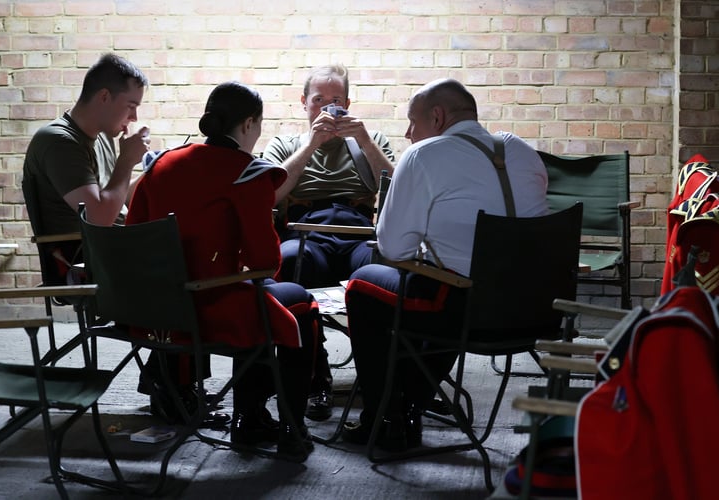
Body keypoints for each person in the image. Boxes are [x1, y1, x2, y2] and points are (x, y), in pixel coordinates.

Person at [342, 78, 549, 451]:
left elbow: (392, 248)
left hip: (467, 312)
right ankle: (410, 405)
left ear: (437, 117)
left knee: (365, 284)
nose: (407, 134)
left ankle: (384, 417)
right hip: (533, 309)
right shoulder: (522, 150)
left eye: (412, 122)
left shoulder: (425, 155)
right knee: (448, 277)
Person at [126, 81, 319, 460]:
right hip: (208, 310)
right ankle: (284, 427)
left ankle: (252, 419)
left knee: (260, 298)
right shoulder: (246, 173)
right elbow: (267, 262)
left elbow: (135, 236)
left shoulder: (161, 163)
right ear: (249, 124)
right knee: (296, 302)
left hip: (152, 310)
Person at [261, 63, 396, 421]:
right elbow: (269, 195)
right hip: (307, 232)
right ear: (304, 103)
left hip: (359, 234)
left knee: (381, 277)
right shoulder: (286, 144)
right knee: (287, 264)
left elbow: (400, 188)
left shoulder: (371, 140)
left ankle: (378, 382)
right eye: (318, 100)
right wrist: (310, 145)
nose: (326, 108)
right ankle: (314, 375)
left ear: (348, 104)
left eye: (335, 100)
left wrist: (364, 141)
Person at [22, 52, 150, 285]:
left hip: (116, 245)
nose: (134, 117)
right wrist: (126, 161)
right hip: (85, 256)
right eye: (131, 106)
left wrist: (156, 172)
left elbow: (115, 199)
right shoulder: (59, 141)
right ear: (104, 96)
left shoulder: (103, 137)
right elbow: (99, 219)